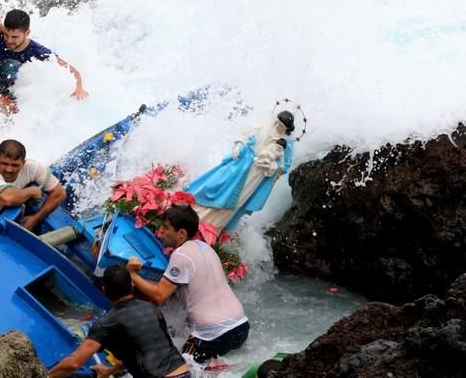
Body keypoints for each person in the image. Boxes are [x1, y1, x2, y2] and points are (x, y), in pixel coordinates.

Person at [127, 204, 250, 363]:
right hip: (240, 326)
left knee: (180, 369)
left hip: (212, 335)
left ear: (182, 234)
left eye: (165, 227)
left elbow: (159, 296)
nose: (161, 232)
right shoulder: (206, 247)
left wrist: (132, 275)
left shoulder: (181, 255)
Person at [48, 265, 190, 378]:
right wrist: (110, 371)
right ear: (132, 286)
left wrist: (46, 375)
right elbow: (145, 350)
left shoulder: (107, 323)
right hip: (184, 372)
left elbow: (73, 363)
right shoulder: (151, 308)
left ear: (104, 290)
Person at [184, 111, 295, 235]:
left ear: (287, 129)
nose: (278, 126)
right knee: (218, 186)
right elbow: (246, 134)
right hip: (241, 163)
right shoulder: (264, 127)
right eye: (278, 123)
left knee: (236, 200)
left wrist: (272, 166)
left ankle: (210, 228)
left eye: (282, 126)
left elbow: (284, 166)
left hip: (256, 174)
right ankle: (192, 212)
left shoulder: (287, 144)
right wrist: (238, 145)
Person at [0, 9, 88, 114]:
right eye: (6, 35)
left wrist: (79, 87)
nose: (9, 40)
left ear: (27, 33)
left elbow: (71, 69)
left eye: (15, 37)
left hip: (26, 98)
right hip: (2, 95)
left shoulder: (37, 51)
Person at [0, 139, 66, 258]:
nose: (9, 169)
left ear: (23, 163)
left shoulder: (32, 167)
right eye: (4, 163)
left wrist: (36, 218)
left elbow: (59, 193)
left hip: (10, 227)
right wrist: (31, 191)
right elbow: (7, 198)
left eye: (15, 165)